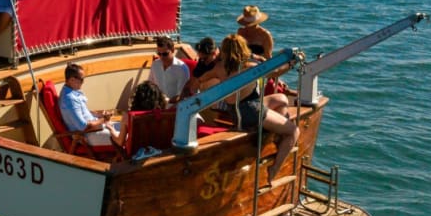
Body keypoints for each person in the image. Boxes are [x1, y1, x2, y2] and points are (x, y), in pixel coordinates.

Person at [189, 34, 298, 182]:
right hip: (251, 112)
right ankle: (275, 168)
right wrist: (291, 63)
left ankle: (274, 135)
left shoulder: (219, 68)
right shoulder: (249, 67)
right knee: (293, 131)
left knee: (281, 99)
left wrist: (197, 88)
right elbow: (276, 72)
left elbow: (199, 81)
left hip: (236, 111)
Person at [58, 63, 119, 146]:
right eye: (82, 79)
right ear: (72, 80)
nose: (83, 82)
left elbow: (82, 112)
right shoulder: (69, 99)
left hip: (95, 128)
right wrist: (104, 119)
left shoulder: (72, 91)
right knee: (125, 137)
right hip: (87, 135)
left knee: (129, 127)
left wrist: (98, 114)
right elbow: (83, 126)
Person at [116, 80, 167, 149]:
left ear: (137, 98)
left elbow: (120, 142)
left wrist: (110, 129)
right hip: (158, 150)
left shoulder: (128, 116)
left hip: (136, 154)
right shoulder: (164, 114)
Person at [148, 35, 190, 102]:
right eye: (159, 54)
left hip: (174, 106)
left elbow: (181, 96)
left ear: (173, 50)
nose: (161, 57)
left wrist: (166, 101)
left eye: (165, 54)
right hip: (157, 105)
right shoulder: (155, 64)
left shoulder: (182, 69)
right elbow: (150, 85)